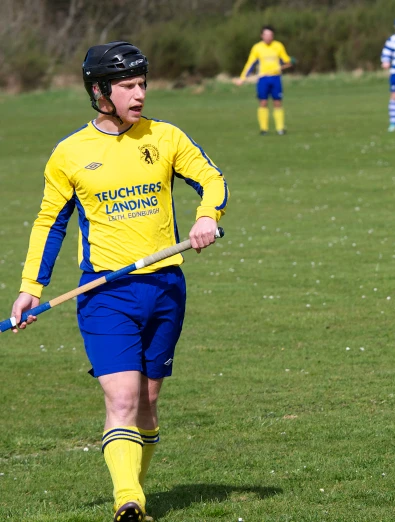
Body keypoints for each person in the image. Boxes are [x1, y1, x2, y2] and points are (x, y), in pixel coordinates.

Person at [10, 41, 229, 522]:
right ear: (99, 91)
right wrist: (31, 287)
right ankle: (127, 501)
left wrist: (207, 215)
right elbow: (50, 223)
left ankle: (133, 489)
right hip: (105, 294)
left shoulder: (166, 137)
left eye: (143, 84)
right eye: (128, 86)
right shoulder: (69, 153)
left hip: (167, 287)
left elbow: (212, 179)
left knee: (148, 401)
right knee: (123, 397)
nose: (140, 94)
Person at [234, 25, 293, 135]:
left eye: (270, 35)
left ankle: (280, 129)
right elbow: (250, 64)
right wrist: (242, 78)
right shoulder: (257, 48)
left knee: (277, 102)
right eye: (266, 35)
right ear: (262, 36)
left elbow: (286, 61)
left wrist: (289, 61)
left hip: (276, 78)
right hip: (262, 78)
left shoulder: (278, 46)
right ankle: (264, 129)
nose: (268, 37)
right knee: (263, 102)